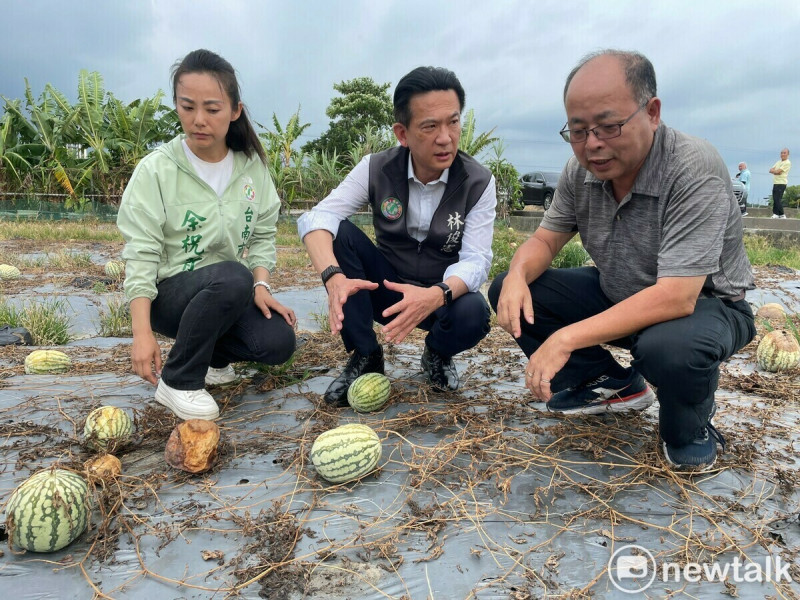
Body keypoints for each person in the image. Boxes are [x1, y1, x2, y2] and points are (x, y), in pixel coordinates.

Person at [490, 50, 755, 470]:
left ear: (652, 112)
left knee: (668, 348)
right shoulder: (581, 173)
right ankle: (609, 384)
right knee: (512, 287)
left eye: (608, 126)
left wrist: (566, 338)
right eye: (578, 131)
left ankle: (691, 425)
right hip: (621, 294)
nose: (592, 144)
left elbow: (676, 297)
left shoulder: (691, 167)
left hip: (706, 307)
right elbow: (543, 240)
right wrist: (518, 274)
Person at [298, 66, 496, 406]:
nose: (446, 137)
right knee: (339, 233)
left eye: (453, 121)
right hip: (386, 291)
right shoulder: (376, 167)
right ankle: (366, 355)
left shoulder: (478, 182)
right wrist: (332, 277)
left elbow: (477, 259)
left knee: (474, 313)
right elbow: (317, 216)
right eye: (430, 126)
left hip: (439, 299)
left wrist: (436, 295)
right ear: (402, 133)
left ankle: (436, 353)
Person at [117, 49, 296, 420]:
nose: (198, 120)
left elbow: (263, 235)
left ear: (235, 111)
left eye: (212, 109)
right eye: (187, 107)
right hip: (171, 296)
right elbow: (141, 253)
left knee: (277, 342)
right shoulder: (157, 170)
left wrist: (262, 286)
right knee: (233, 276)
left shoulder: (251, 168)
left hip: (228, 291)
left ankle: (215, 359)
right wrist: (141, 332)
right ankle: (179, 381)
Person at [769, 148, 791, 218]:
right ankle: (776, 214)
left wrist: (775, 171)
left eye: (784, 153)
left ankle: (782, 214)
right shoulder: (778, 162)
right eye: (781, 153)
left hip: (781, 183)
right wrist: (775, 171)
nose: (782, 154)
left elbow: (779, 172)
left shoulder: (787, 162)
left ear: (788, 154)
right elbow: (771, 170)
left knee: (777, 199)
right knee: (775, 199)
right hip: (776, 182)